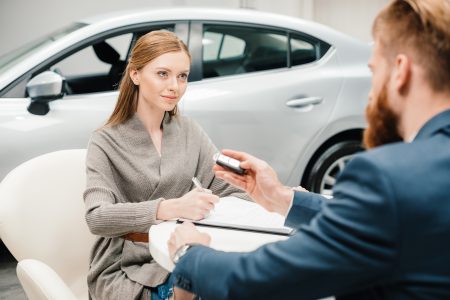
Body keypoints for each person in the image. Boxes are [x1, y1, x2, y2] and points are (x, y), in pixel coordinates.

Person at [167, 0, 450, 299]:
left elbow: (262, 280)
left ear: (399, 71)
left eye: (374, 70)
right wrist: (283, 198)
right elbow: (389, 220)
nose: (370, 91)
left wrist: (189, 254)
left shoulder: (387, 178)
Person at [83, 31, 247, 300]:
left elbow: (228, 189)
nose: (175, 86)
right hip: (127, 268)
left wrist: (274, 195)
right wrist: (170, 207)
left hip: (184, 251)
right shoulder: (104, 141)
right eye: (163, 74)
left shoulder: (189, 131)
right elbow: (96, 217)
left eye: (182, 76)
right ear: (135, 74)